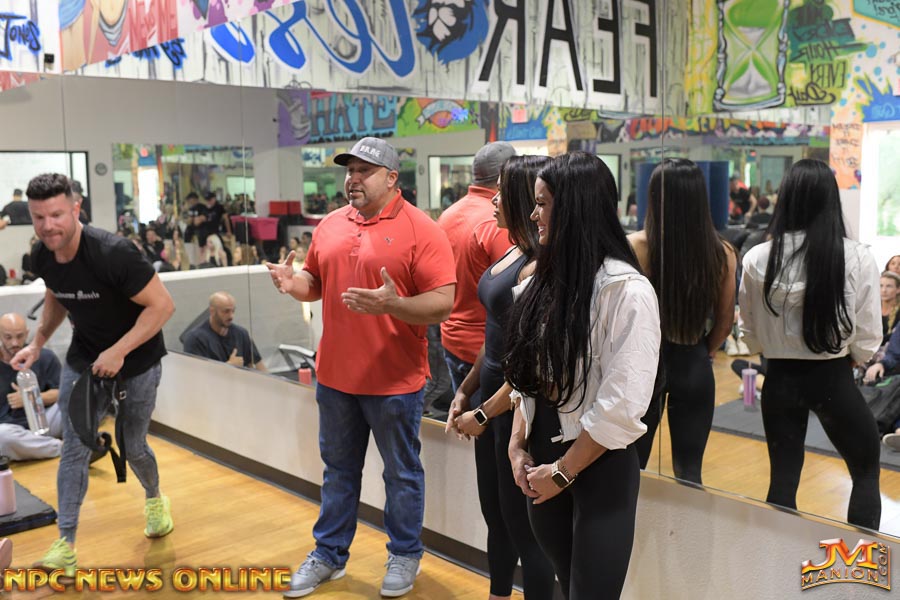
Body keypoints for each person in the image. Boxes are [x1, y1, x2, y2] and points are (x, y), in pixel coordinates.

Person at [266, 137, 455, 598]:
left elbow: (443, 303)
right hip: (335, 378)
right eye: (349, 171)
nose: (353, 179)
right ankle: (329, 554)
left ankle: (405, 553)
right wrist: (293, 283)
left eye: (364, 171)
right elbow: (315, 281)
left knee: (401, 474)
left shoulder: (422, 229)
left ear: (391, 178)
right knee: (338, 472)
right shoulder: (330, 225)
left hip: (395, 381)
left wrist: (395, 304)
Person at [504, 153, 660, 599]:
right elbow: (527, 380)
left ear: (575, 207)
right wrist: (517, 446)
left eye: (542, 204)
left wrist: (563, 472)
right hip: (542, 465)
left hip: (598, 468)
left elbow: (622, 405)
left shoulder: (627, 291)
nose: (533, 215)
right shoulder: (538, 283)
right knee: (565, 579)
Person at [10, 173, 176, 577]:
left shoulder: (113, 253)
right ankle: (65, 544)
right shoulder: (42, 254)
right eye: (39, 217)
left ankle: (155, 499)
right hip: (84, 359)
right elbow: (56, 294)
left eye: (56, 215)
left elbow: (162, 306)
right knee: (74, 447)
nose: (48, 226)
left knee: (133, 445)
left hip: (137, 361)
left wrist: (119, 351)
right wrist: (37, 342)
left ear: (76, 208)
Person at [739, 159, 882, 530]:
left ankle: (775, 557)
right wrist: (857, 358)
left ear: (785, 198)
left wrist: (770, 350)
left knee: (783, 480)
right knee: (865, 470)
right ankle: (863, 561)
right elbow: (868, 332)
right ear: (831, 200)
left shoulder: (757, 257)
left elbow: (748, 331)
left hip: (779, 380)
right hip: (833, 378)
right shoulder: (856, 256)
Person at [448, 156, 556, 600]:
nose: (492, 200)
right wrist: (465, 389)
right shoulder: (511, 251)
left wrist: (483, 412)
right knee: (496, 517)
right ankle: (497, 593)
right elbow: (493, 339)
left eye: (500, 191)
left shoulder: (539, 266)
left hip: (514, 407)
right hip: (490, 397)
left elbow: (528, 364)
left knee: (525, 529)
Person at [629, 159, 737, 485]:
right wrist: (704, 350)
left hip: (644, 364)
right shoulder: (722, 252)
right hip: (693, 360)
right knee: (689, 474)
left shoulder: (635, 246)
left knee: (632, 467)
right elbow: (725, 322)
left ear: (653, 197)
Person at [438, 141, 517, 399]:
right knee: (486, 422)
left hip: (451, 339)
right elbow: (512, 292)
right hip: (485, 352)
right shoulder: (497, 221)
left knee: (465, 416)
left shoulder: (447, 215)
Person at [0, 313, 64, 460]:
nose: (15, 343)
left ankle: (38, 446)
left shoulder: (45, 356)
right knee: (2, 436)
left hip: (44, 421)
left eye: (20, 336)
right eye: (8, 337)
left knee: (76, 402)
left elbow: (62, 392)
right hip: (11, 429)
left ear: (27, 334)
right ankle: (62, 448)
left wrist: (31, 398)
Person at [183, 292, 266, 372]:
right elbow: (196, 374)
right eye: (226, 311)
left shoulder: (241, 334)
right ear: (212, 311)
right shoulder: (195, 339)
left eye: (233, 311)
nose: (231, 316)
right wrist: (229, 366)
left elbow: (260, 367)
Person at [881, 271, 900, 344]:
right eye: (881, 286)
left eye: (889, 286)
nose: (884, 290)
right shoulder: (871, 309)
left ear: (898, 289)